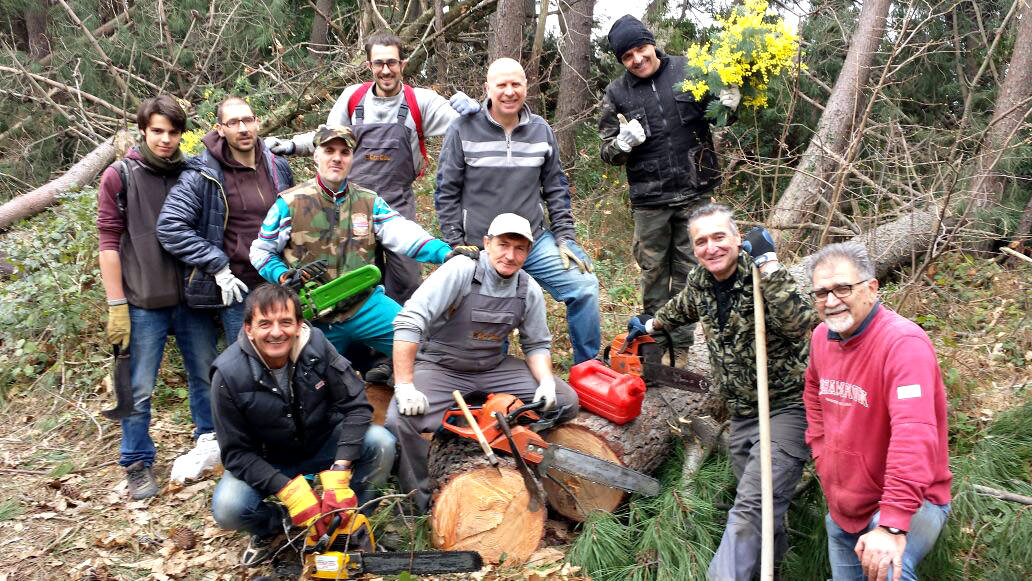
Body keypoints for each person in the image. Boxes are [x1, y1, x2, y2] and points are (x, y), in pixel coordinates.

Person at [625, 204, 819, 580]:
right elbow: (681, 308)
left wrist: (770, 263)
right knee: (766, 511)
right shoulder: (700, 280)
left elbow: (800, 323)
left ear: (736, 238)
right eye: (701, 241)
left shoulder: (761, 275)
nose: (710, 247)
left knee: (752, 507)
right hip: (744, 413)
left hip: (785, 409)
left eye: (719, 237)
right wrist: (649, 322)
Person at [264, 33, 480, 305]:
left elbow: (469, 128)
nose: (386, 70)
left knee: (408, 280)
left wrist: (477, 111)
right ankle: (360, 340)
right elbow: (327, 138)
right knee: (354, 278)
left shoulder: (420, 101)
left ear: (403, 63)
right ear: (369, 66)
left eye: (392, 62)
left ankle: (398, 337)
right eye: (378, 63)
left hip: (398, 201)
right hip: (352, 205)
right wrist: (292, 145)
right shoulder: (352, 98)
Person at [386, 213, 580, 512]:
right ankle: (420, 503)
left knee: (565, 401)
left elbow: (537, 343)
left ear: (528, 252)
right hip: (441, 365)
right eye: (503, 245)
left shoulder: (527, 288)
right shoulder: (461, 271)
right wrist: (405, 385)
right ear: (487, 243)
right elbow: (409, 322)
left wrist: (544, 382)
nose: (510, 255)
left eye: (519, 248)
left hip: (492, 367)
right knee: (400, 420)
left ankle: (518, 453)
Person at [209, 284, 396, 567]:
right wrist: (287, 491)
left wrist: (342, 467)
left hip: (321, 441)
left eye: (286, 322)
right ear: (248, 328)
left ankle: (350, 520)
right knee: (228, 507)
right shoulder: (227, 374)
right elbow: (236, 454)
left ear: (299, 325)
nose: (276, 332)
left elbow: (356, 406)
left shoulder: (317, 346)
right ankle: (277, 526)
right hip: (268, 459)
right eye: (265, 324)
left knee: (381, 442)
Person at [250, 125, 468, 362]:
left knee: (421, 348)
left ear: (352, 158)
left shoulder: (368, 201)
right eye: (329, 150)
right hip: (313, 314)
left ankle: (403, 388)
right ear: (316, 156)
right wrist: (282, 275)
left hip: (365, 304)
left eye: (344, 152)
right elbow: (261, 251)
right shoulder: (290, 203)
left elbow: (404, 234)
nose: (337, 158)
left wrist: (446, 254)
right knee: (301, 376)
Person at [435, 57, 601, 364]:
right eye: (501, 85)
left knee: (585, 286)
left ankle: (588, 368)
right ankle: (493, 373)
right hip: (481, 246)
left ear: (526, 87)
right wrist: (455, 241)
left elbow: (556, 187)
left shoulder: (541, 131)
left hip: (533, 242)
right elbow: (446, 190)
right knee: (487, 316)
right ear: (487, 89)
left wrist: (565, 236)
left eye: (516, 84)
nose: (509, 92)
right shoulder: (463, 129)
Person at [96, 95, 220, 501]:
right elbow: (108, 242)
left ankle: (210, 444)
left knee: (204, 375)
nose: (166, 140)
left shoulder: (193, 172)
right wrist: (117, 304)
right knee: (139, 384)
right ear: (144, 131)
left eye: (173, 132)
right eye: (158, 131)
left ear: (182, 135)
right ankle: (135, 461)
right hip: (143, 299)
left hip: (192, 297)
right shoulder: (121, 175)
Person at [804, 243, 951, 581]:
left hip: (909, 503)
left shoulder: (903, 344)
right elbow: (813, 393)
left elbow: (914, 435)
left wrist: (892, 524)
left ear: (871, 288)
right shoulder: (821, 338)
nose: (831, 300)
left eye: (843, 288)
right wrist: (823, 453)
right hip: (844, 508)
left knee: (887, 570)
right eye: (821, 292)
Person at [600, 15, 741, 345]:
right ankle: (655, 347)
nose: (636, 59)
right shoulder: (617, 92)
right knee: (653, 272)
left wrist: (730, 106)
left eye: (639, 49)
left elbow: (718, 115)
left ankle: (680, 348)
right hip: (650, 200)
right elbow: (606, 151)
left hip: (696, 191)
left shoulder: (690, 70)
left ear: (651, 43)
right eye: (627, 56)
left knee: (690, 271)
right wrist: (622, 144)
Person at [157, 96, 294, 341]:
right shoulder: (203, 173)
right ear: (219, 129)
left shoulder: (278, 165)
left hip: (280, 282)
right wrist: (217, 264)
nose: (242, 128)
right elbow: (170, 226)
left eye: (247, 120)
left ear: (257, 122)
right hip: (239, 290)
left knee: (287, 361)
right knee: (245, 368)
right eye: (233, 123)